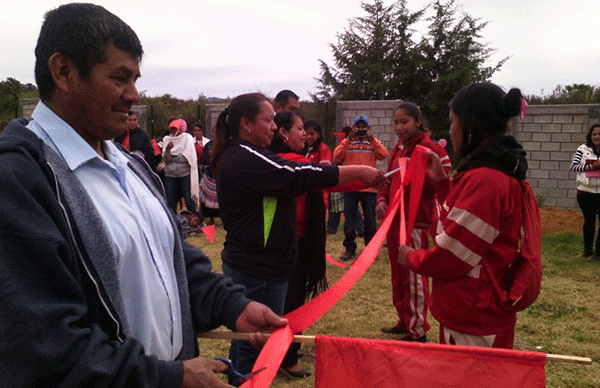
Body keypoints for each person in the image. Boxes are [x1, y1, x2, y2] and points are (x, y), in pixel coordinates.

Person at [0, 4, 287, 387]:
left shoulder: (129, 164)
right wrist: (167, 377)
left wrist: (231, 305)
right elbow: (43, 345)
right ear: (64, 72)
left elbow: (168, 256)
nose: (134, 95)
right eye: (121, 78)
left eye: (136, 79)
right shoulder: (17, 179)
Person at [210, 93, 386, 381]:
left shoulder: (246, 154)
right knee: (256, 349)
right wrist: (359, 171)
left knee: (248, 344)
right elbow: (296, 174)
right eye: (268, 120)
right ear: (246, 124)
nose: (273, 126)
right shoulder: (245, 156)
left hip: (260, 266)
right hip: (259, 270)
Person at [398, 82, 535, 349]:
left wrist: (411, 257)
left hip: (474, 313)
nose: (450, 131)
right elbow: (463, 224)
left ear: (470, 125)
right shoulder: (487, 172)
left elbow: (453, 254)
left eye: (452, 122)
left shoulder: (486, 180)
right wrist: (441, 186)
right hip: (470, 307)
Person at [376, 101, 451, 342]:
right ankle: (404, 320)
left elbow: (441, 184)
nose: (399, 127)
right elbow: (387, 180)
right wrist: (381, 200)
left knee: (415, 275)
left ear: (418, 122)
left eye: (404, 122)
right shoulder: (398, 148)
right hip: (394, 220)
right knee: (398, 274)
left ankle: (418, 329)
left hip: (416, 222)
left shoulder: (430, 150)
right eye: (395, 122)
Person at [333, 115, 388, 261]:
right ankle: (349, 250)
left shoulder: (373, 143)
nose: (361, 129)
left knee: (370, 221)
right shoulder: (348, 143)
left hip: (369, 188)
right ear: (353, 128)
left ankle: (370, 251)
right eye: (358, 126)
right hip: (350, 186)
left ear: (369, 128)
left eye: (364, 126)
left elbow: (383, 155)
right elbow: (337, 156)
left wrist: (373, 140)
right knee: (349, 221)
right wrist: (348, 139)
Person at [570, 123, 600, 260]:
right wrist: (591, 166)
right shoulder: (582, 149)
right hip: (586, 192)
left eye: (599, 134)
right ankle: (587, 250)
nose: (597, 136)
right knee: (589, 222)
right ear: (590, 136)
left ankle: (598, 253)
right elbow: (574, 167)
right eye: (594, 134)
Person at [162, 118, 200, 215]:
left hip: (184, 174)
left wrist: (173, 158)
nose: (174, 131)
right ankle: (173, 221)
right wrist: (168, 149)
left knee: (188, 199)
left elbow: (188, 156)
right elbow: (166, 159)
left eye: (176, 128)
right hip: (170, 175)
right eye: (172, 128)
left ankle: (193, 220)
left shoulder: (187, 138)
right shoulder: (166, 139)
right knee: (171, 200)